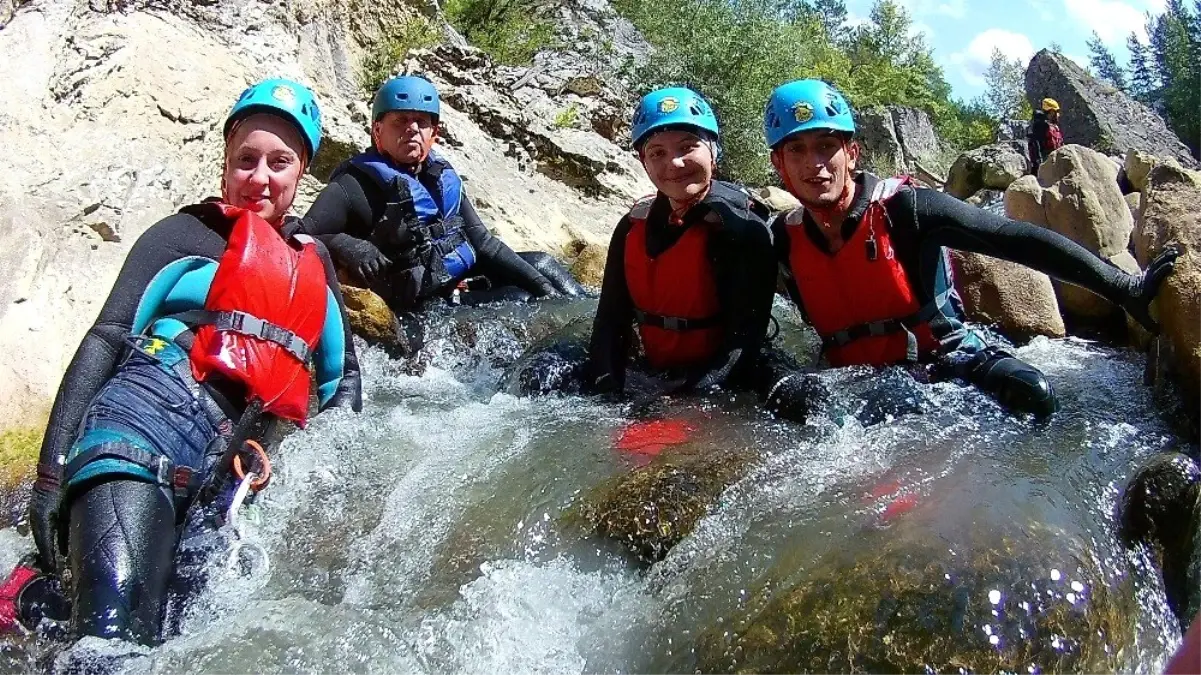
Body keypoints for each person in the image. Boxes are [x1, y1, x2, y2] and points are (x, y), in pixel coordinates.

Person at [13, 78, 362, 647]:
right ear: (226, 165)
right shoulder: (182, 234)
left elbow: (342, 380)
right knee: (111, 647)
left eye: (279, 162)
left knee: (172, 638)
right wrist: (49, 476)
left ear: (301, 172)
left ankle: (32, 599)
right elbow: (105, 339)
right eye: (245, 160)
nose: (259, 177)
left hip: (227, 476)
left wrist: (318, 456)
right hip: (143, 422)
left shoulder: (312, 269)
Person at [762, 79, 1178, 418]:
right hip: (854, 384)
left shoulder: (908, 210)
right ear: (779, 166)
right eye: (796, 150)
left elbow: (1017, 240)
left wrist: (1124, 288)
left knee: (1031, 393)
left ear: (851, 154)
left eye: (825, 146)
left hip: (946, 365)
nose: (813, 164)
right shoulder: (780, 238)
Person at [302, 75, 584, 329]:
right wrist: (347, 245)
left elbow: (483, 243)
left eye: (421, 122)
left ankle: (585, 321)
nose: (412, 129)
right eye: (400, 120)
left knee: (543, 264)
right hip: (421, 307)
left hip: (457, 281)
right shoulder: (352, 185)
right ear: (378, 131)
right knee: (519, 297)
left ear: (433, 133)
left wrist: (544, 288)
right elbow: (298, 233)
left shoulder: (438, 177)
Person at [584, 86, 782, 405]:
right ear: (643, 161)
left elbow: (742, 346)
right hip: (654, 370)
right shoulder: (631, 226)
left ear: (714, 153)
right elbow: (609, 323)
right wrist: (606, 396)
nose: (673, 164)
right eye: (657, 152)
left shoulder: (742, 230)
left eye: (687, 147)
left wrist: (680, 405)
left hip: (723, 375)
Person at [1028, 97, 1065, 174]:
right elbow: (1036, 145)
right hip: (1046, 162)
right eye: (1056, 111)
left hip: (1055, 159)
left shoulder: (1052, 126)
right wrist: (1040, 164)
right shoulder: (1041, 125)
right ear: (1051, 112)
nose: (1058, 115)